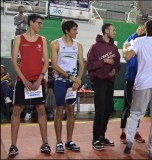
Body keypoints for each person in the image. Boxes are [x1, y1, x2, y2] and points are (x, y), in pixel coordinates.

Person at [9, 13, 51, 157]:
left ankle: (45, 143)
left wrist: (40, 78)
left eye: (41, 23)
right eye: (39, 23)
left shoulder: (43, 40)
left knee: (41, 110)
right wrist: (24, 80)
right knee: (16, 110)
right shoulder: (18, 39)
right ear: (31, 23)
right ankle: (13, 145)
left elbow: (46, 60)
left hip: (38, 80)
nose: (41, 25)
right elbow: (14, 61)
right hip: (23, 81)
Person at [122, 20, 152, 159]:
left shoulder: (139, 41)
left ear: (144, 29)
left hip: (142, 84)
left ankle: (129, 141)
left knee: (135, 114)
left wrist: (125, 47)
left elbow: (127, 57)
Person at [51, 20, 84, 153]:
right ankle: (59, 142)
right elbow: (54, 65)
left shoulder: (78, 45)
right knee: (59, 110)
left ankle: (69, 140)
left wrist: (78, 80)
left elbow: (81, 64)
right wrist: (70, 77)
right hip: (60, 80)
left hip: (73, 82)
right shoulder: (55, 44)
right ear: (67, 31)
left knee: (71, 110)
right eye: (74, 30)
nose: (77, 32)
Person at [86, 23, 121, 151]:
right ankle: (95, 139)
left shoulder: (114, 48)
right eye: (113, 30)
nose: (115, 32)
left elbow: (117, 64)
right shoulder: (95, 47)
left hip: (110, 81)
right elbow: (89, 65)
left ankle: (102, 136)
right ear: (106, 31)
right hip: (99, 81)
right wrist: (104, 61)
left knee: (107, 110)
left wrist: (114, 70)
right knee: (100, 109)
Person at [120, 24, 146, 144]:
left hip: (141, 80)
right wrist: (136, 34)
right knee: (127, 106)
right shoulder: (132, 39)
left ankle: (135, 131)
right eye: (141, 27)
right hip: (130, 79)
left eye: (145, 27)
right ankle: (123, 132)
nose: (143, 29)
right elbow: (125, 50)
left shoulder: (146, 40)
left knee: (138, 108)